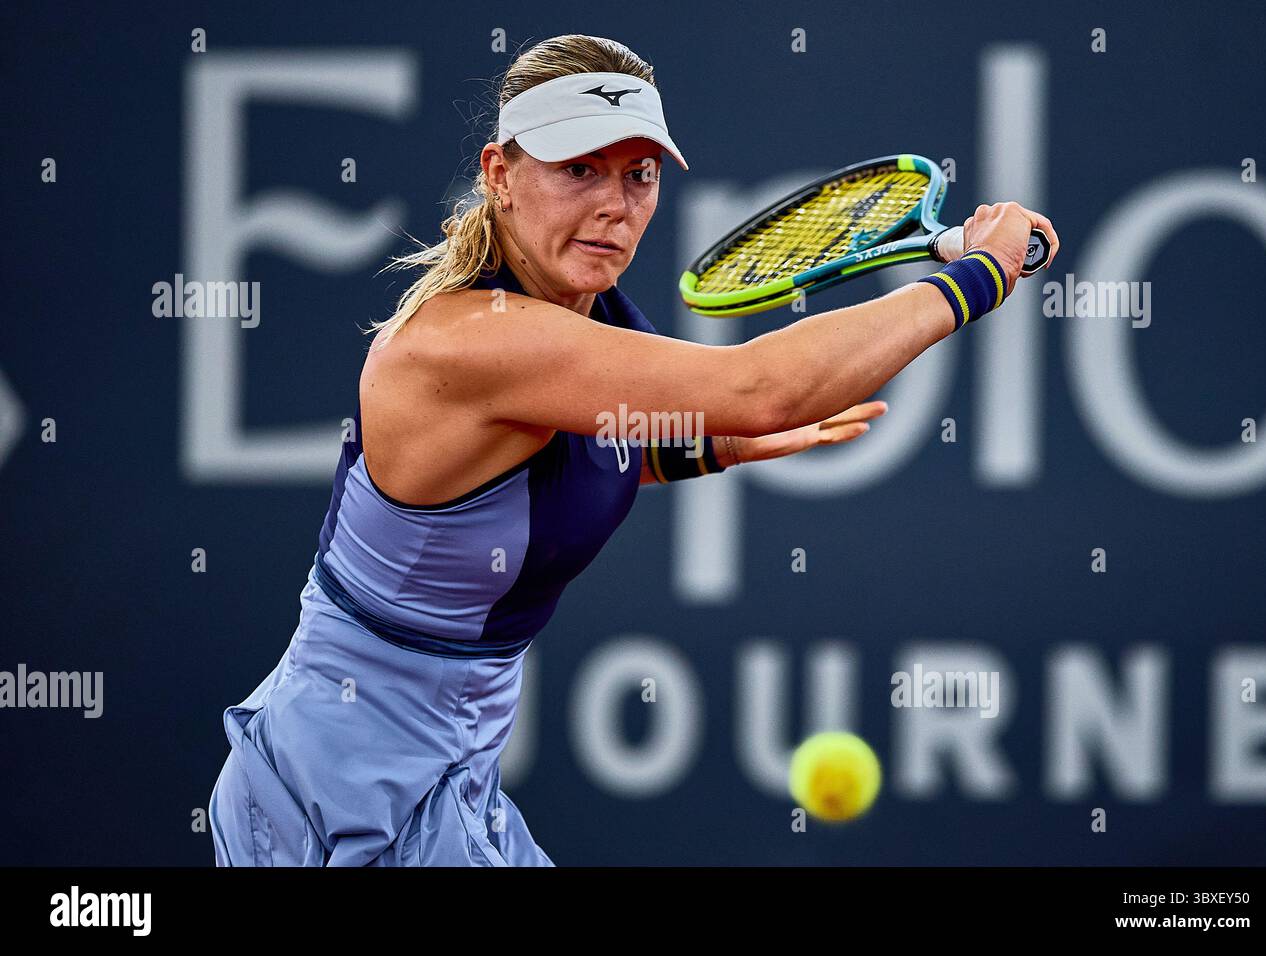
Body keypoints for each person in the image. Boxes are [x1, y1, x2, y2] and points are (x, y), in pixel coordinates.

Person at [208, 33, 1058, 866]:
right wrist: (974, 278)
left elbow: (556, 461)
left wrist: (703, 451)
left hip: (443, 780)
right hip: (346, 794)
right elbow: (763, 388)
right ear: (499, 175)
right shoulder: (470, 341)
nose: (614, 205)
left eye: (638, 175)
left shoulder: (585, 312)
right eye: (579, 169)